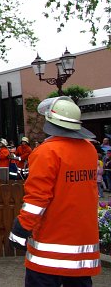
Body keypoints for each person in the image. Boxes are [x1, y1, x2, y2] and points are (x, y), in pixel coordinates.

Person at [9, 96, 101, 285]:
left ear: (50, 122)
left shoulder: (46, 152)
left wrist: (21, 228)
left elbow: (37, 199)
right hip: (82, 251)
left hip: (49, 251)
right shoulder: (90, 150)